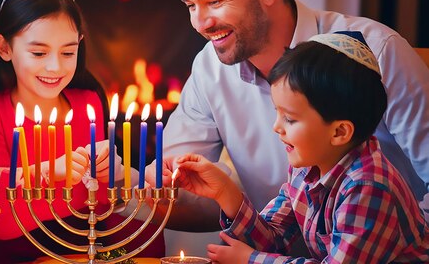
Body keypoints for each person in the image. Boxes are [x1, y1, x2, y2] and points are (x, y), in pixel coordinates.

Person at [145, 0, 429, 228]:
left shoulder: (378, 50)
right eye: (191, 6)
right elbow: (179, 192)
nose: (200, 23)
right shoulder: (209, 68)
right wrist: (121, 181)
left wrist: (413, 245)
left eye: (214, 1)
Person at [176, 32, 429, 263]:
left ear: (339, 132)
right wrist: (225, 192)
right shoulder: (308, 168)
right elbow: (273, 240)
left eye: (290, 118)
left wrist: (251, 260)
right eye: (278, 112)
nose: (277, 127)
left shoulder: (368, 186)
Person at [0, 0, 164, 262]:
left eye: (68, 52)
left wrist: (113, 175)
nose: (55, 67)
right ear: (4, 47)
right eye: (38, 53)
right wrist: (51, 173)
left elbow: (102, 203)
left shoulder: (87, 102)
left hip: (89, 248)